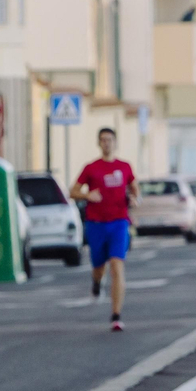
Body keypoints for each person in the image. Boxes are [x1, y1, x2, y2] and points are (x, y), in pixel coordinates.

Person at [68, 127, 136, 332]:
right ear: (99, 143)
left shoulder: (124, 166)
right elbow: (73, 191)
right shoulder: (91, 168)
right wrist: (87, 196)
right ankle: (96, 282)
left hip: (119, 222)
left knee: (117, 265)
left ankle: (116, 315)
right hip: (96, 223)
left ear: (115, 143)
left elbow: (134, 186)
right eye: (103, 140)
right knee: (99, 266)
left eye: (110, 140)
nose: (107, 143)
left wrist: (135, 197)